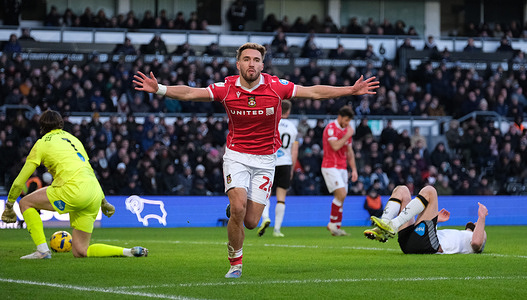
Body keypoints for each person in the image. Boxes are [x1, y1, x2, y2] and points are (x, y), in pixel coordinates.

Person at [133, 42, 378, 278]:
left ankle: (235, 213)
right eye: (247, 59)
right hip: (237, 156)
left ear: (262, 65)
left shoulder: (276, 86)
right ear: (238, 64)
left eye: (257, 60)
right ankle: (235, 262)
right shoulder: (227, 88)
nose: (252, 63)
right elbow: (190, 93)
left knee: (250, 222)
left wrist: (350, 90)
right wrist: (160, 89)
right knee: (239, 208)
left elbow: (313, 92)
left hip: (266, 160)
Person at [1, 110, 148, 259]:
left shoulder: (42, 143)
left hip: (73, 190)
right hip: (94, 193)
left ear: (42, 126)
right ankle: (128, 252)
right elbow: (89, 170)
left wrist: (9, 205)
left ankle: (42, 251)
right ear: (61, 124)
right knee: (80, 251)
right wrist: (103, 202)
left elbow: (20, 180)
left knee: (26, 203)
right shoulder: (74, 140)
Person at [364, 185, 488, 255]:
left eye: (476, 225)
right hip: (415, 242)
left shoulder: (474, 239)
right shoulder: (460, 234)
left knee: (430, 191)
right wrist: (435, 220)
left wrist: (481, 217)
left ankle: (393, 225)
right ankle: (383, 225)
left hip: (427, 245)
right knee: (402, 190)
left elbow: (477, 244)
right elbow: (432, 233)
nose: (475, 224)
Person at [258, 99, 298, 238]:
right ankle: (277, 229)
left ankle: (265, 218)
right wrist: (292, 167)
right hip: (285, 164)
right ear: (289, 111)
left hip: (269, 163)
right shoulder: (293, 127)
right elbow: (294, 150)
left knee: (265, 194)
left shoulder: (271, 123)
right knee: (281, 198)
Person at [321, 106, 359, 236]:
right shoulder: (331, 128)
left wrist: (353, 169)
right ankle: (332, 224)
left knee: (342, 198)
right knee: (341, 194)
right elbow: (335, 146)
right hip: (329, 165)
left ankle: (336, 227)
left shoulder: (346, 130)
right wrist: (347, 135)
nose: (348, 123)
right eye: (346, 120)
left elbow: (349, 152)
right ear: (340, 117)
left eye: (349, 121)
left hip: (342, 167)